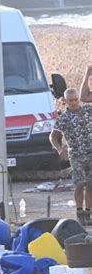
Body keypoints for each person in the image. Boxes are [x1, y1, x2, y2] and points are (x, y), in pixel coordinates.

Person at [50, 88, 92, 225]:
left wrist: (87, 75)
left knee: (91, 184)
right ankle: (80, 211)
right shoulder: (63, 118)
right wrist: (59, 148)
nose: (74, 103)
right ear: (65, 101)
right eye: (71, 101)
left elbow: (87, 95)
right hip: (76, 155)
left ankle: (88, 212)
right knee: (79, 184)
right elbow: (53, 136)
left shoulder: (88, 111)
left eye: (76, 99)